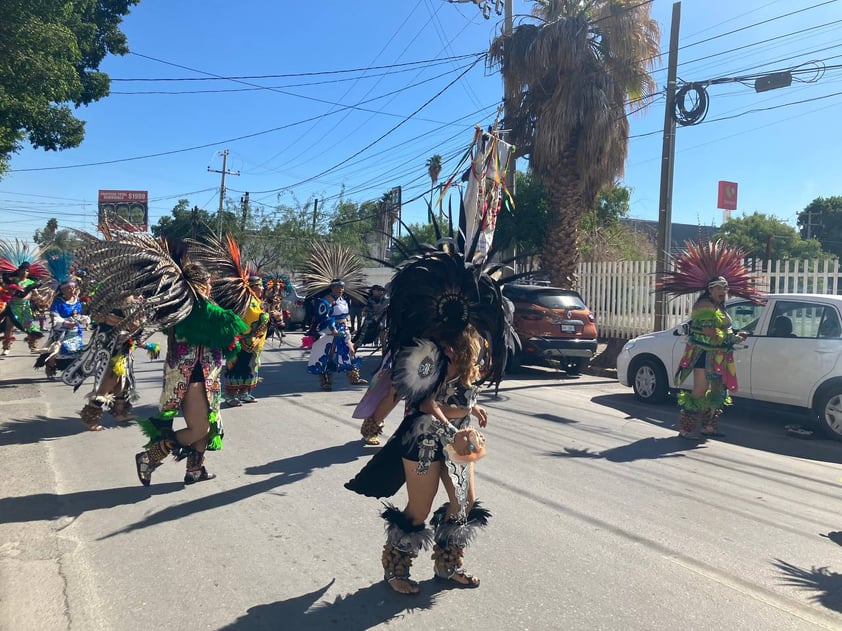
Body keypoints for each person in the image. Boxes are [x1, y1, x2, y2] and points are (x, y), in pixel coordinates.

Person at [345, 244, 515, 595]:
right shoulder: (425, 350)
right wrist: (447, 428)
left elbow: (464, 388)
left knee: (463, 503)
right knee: (419, 508)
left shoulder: (472, 343)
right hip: (423, 439)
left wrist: (473, 408)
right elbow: (422, 402)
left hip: (459, 437)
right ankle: (397, 566)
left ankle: (448, 564)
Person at [135, 261, 247, 485]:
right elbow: (230, 328)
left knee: (208, 424)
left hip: (204, 375)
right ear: (198, 284)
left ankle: (195, 469)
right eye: (207, 282)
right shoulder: (196, 308)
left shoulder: (186, 305)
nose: (209, 286)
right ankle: (150, 457)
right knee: (200, 428)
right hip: (191, 377)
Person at [658, 240, 761, 441]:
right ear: (710, 290)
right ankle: (686, 428)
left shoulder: (719, 306)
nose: (723, 291)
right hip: (703, 355)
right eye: (719, 288)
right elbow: (710, 331)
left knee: (717, 391)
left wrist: (735, 335)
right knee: (700, 390)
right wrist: (734, 338)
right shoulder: (704, 306)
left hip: (720, 355)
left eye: (725, 288)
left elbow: (722, 328)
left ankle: (709, 427)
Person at [307, 279, 367, 390]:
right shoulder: (326, 300)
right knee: (329, 354)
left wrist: (347, 325)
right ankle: (325, 381)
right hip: (330, 330)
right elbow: (325, 317)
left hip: (343, 329)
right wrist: (333, 328)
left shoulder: (343, 300)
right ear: (332, 288)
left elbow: (344, 316)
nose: (340, 290)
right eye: (338, 287)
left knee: (351, 350)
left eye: (342, 287)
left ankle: (354, 378)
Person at [222, 275, 270, 406]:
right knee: (236, 367)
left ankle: (244, 393)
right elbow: (254, 316)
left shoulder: (257, 301)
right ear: (252, 288)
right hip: (241, 340)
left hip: (253, 342)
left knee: (249, 368)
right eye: (259, 286)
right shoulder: (245, 301)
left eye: (261, 285)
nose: (262, 288)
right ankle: (230, 396)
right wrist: (266, 316)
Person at [35, 280, 84, 379]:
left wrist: (79, 320)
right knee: (56, 352)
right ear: (63, 290)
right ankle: (50, 367)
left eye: (73, 287)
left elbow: (78, 314)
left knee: (75, 351)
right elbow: (54, 315)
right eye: (69, 288)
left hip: (74, 330)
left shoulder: (77, 300)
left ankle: (72, 371)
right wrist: (65, 323)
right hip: (60, 330)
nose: (72, 289)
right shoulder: (58, 301)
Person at [1, 262, 44, 355]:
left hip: (25, 308)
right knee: (9, 327)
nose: (24, 272)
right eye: (23, 270)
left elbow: (35, 293)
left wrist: (41, 298)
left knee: (29, 327)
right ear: (19, 270)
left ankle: (33, 345)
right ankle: (6, 347)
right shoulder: (12, 280)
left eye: (27, 271)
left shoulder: (31, 282)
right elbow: (6, 289)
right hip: (12, 307)